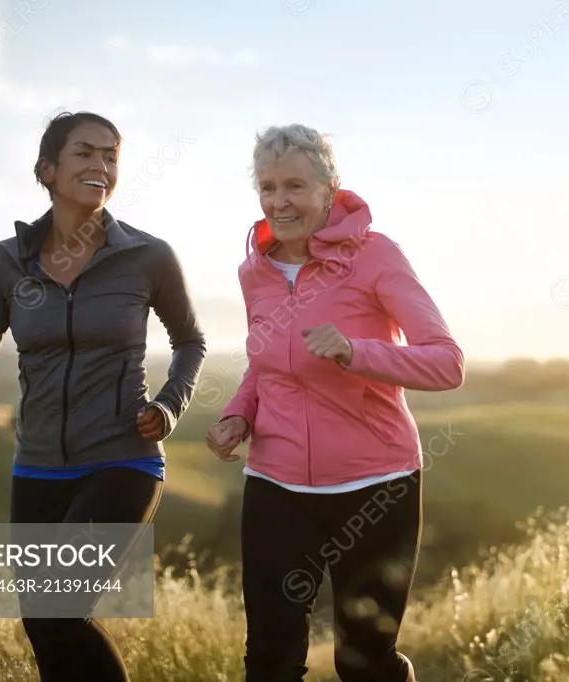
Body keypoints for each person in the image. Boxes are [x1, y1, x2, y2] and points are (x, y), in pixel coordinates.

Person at [0, 110, 206, 681]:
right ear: (47, 170)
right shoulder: (4, 262)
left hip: (122, 458)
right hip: (38, 468)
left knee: (58, 608)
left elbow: (190, 341)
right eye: (85, 153)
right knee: (44, 626)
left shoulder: (148, 256)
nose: (101, 165)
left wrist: (170, 404)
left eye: (111, 156)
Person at [206, 123, 465, 682]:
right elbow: (265, 364)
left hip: (375, 483)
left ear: (330, 188)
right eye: (268, 187)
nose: (280, 201)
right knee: (269, 658)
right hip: (275, 483)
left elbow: (447, 363)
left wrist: (355, 353)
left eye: (295, 186)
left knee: (364, 661)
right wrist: (238, 413)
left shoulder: (376, 256)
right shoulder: (255, 272)